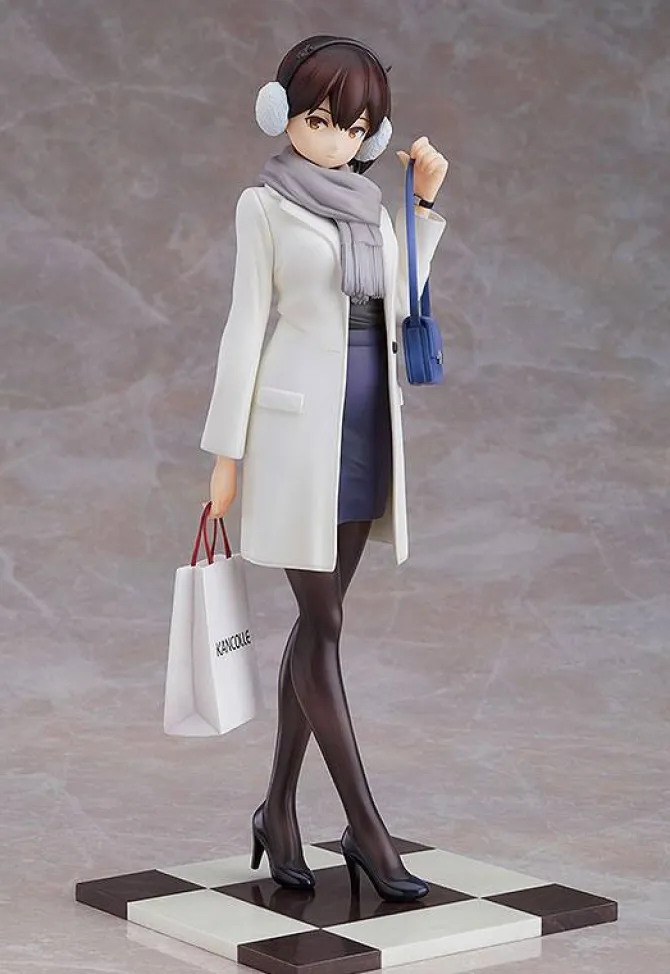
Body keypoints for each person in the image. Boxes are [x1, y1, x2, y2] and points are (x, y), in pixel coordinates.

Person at [200, 35, 449, 902]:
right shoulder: (264, 207)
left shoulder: (371, 210)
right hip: (297, 439)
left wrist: (421, 207)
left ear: (373, 135)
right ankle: (367, 831)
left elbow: (401, 300)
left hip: (368, 430)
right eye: (319, 118)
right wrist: (225, 455)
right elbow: (243, 329)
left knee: (319, 628)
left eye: (355, 126)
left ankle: (276, 808)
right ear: (281, 114)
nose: (337, 138)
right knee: (325, 624)